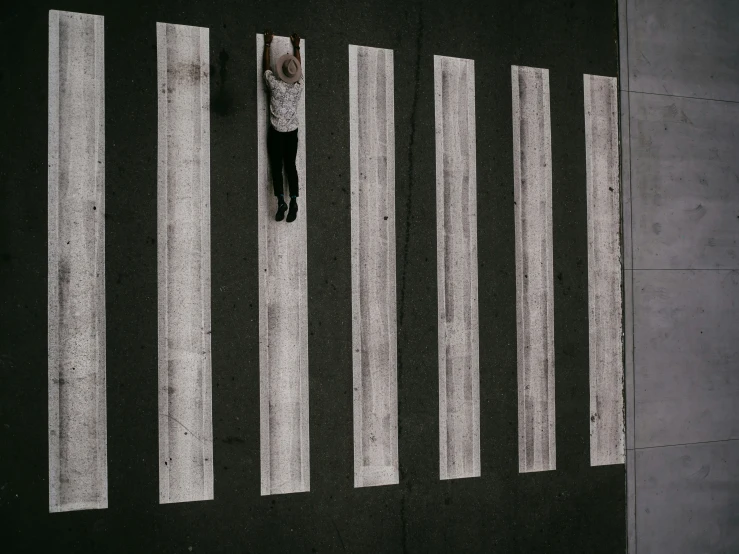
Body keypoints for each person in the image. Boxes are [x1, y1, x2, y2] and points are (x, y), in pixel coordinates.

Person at [263, 29, 304, 222]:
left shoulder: (275, 85)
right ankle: (294, 199)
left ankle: (281, 200)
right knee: (291, 166)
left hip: (277, 132)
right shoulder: (298, 86)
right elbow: (299, 69)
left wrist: (268, 44)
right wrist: (297, 46)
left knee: (276, 167)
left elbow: (266, 69)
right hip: (291, 132)